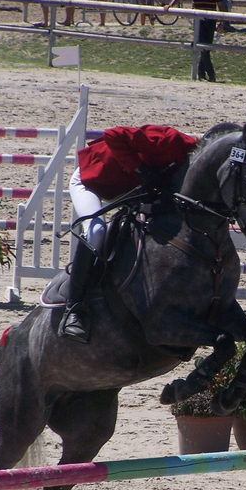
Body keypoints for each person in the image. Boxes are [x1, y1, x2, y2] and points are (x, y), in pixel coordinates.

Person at [61, 125, 200, 343]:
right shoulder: (170, 141)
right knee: (97, 231)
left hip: (127, 189)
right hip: (92, 180)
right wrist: (140, 169)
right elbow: (112, 134)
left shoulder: (190, 169)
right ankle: (74, 308)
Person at [165, 0, 224, 82]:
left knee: (206, 47)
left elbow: (220, 5)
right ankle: (211, 74)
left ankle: (201, 74)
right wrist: (170, 5)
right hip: (199, 19)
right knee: (204, 48)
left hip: (211, 20)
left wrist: (221, 21)